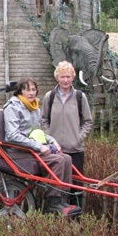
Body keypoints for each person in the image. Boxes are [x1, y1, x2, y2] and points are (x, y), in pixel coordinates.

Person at [3, 78, 81, 217]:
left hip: (32, 148)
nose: (31, 93)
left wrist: (52, 141)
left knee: (67, 158)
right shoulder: (13, 107)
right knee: (58, 161)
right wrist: (38, 146)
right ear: (20, 91)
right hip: (18, 151)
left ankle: (62, 199)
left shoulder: (34, 108)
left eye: (33, 89)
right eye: (27, 89)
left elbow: (39, 132)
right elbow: (12, 135)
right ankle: (53, 202)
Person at [41, 61, 93, 206]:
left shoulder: (79, 97)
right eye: (62, 77)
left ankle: (76, 215)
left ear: (73, 78)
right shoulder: (49, 97)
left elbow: (87, 121)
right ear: (57, 77)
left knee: (76, 185)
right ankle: (57, 214)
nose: (65, 80)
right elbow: (44, 120)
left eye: (68, 77)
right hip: (56, 151)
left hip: (75, 150)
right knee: (57, 184)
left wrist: (78, 138)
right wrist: (49, 137)